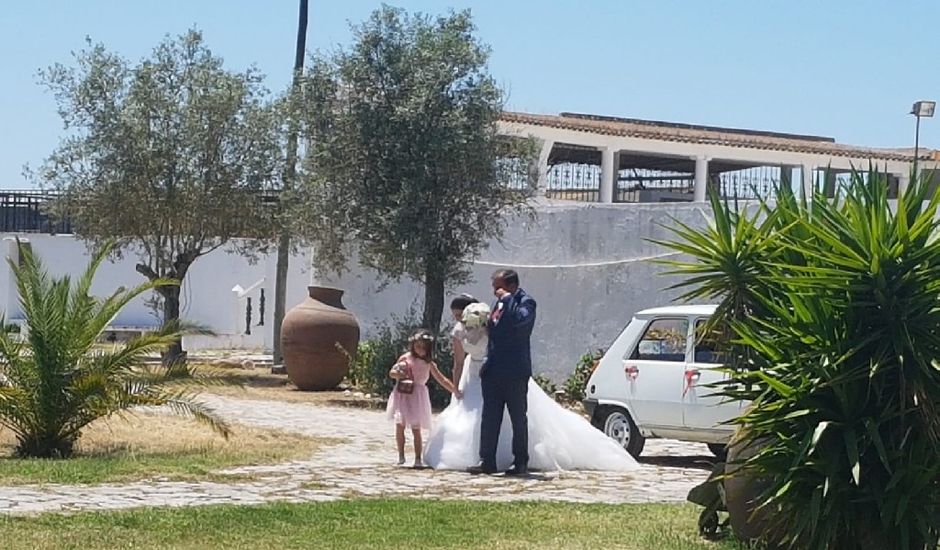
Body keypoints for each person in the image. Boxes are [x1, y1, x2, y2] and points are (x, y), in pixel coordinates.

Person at [425, 287, 638, 473]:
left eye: (458, 314)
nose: (457, 319)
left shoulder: (492, 324)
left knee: (509, 415)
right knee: (478, 415)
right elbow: (459, 362)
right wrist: (456, 386)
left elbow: (477, 354)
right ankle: (483, 456)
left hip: (496, 370)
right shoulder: (472, 329)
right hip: (474, 374)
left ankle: (507, 456)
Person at [386, 329, 461, 468]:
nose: (420, 350)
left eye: (423, 347)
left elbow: (441, 379)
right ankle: (401, 456)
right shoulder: (405, 358)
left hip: (418, 396)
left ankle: (417, 458)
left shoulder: (429, 364)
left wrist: (455, 390)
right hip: (403, 394)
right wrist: (400, 374)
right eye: (417, 346)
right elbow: (392, 372)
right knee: (399, 425)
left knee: (416, 428)